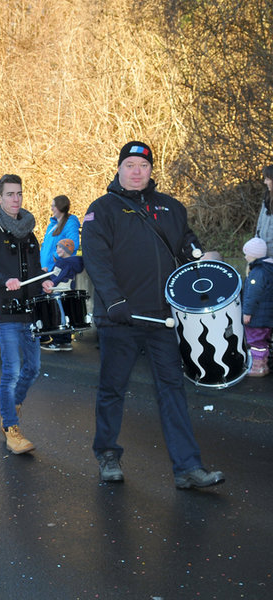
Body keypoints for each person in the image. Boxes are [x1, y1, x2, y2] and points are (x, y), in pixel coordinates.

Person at [81, 141, 224, 489]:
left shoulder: (171, 208)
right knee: (112, 389)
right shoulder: (101, 210)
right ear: (119, 168)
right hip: (120, 318)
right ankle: (108, 454)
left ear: (150, 170)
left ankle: (188, 468)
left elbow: (187, 246)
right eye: (130, 165)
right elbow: (97, 261)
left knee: (172, 390)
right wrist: (114, 302)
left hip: (164, 319)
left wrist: (199, 255)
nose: (136, 171)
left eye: (143, 166)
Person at [0, 174, 54, 454]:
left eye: (19, 194)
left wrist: (44, 280)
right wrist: (4, 280)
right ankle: (11, 427)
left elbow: (34, 270)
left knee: (33, 368)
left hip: (29, 312)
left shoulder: (29, 232)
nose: (16, 199)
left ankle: (9, 406)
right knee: (12, 370)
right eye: (10, 194)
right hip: (3, 313)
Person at [39, 195, 80, 351]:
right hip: (48, 270)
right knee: (50, 302)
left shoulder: (70, 223)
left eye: (53, 205)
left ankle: (60, 339)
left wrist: (56, 257)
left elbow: (73, 243)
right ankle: (53, 336)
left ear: (59, 207)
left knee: (58, 303)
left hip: (58, 270)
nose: (51, 208)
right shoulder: (53, 224)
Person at [241, 237, 273, 377]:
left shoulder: (257, 273)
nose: (245, 257)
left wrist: (247, 313)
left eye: (246, 254)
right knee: (263, 342)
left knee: (255, 342)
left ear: (253, 255)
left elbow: (252, 296)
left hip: (257, 317)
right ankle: (264, 365)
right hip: (267, 316)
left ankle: (257, 368)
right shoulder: (268, 269)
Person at [256, 165, 273, 258]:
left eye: (267, 179)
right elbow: (259, 226)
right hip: (263, 254)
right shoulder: (266, 200)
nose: (265, 182)